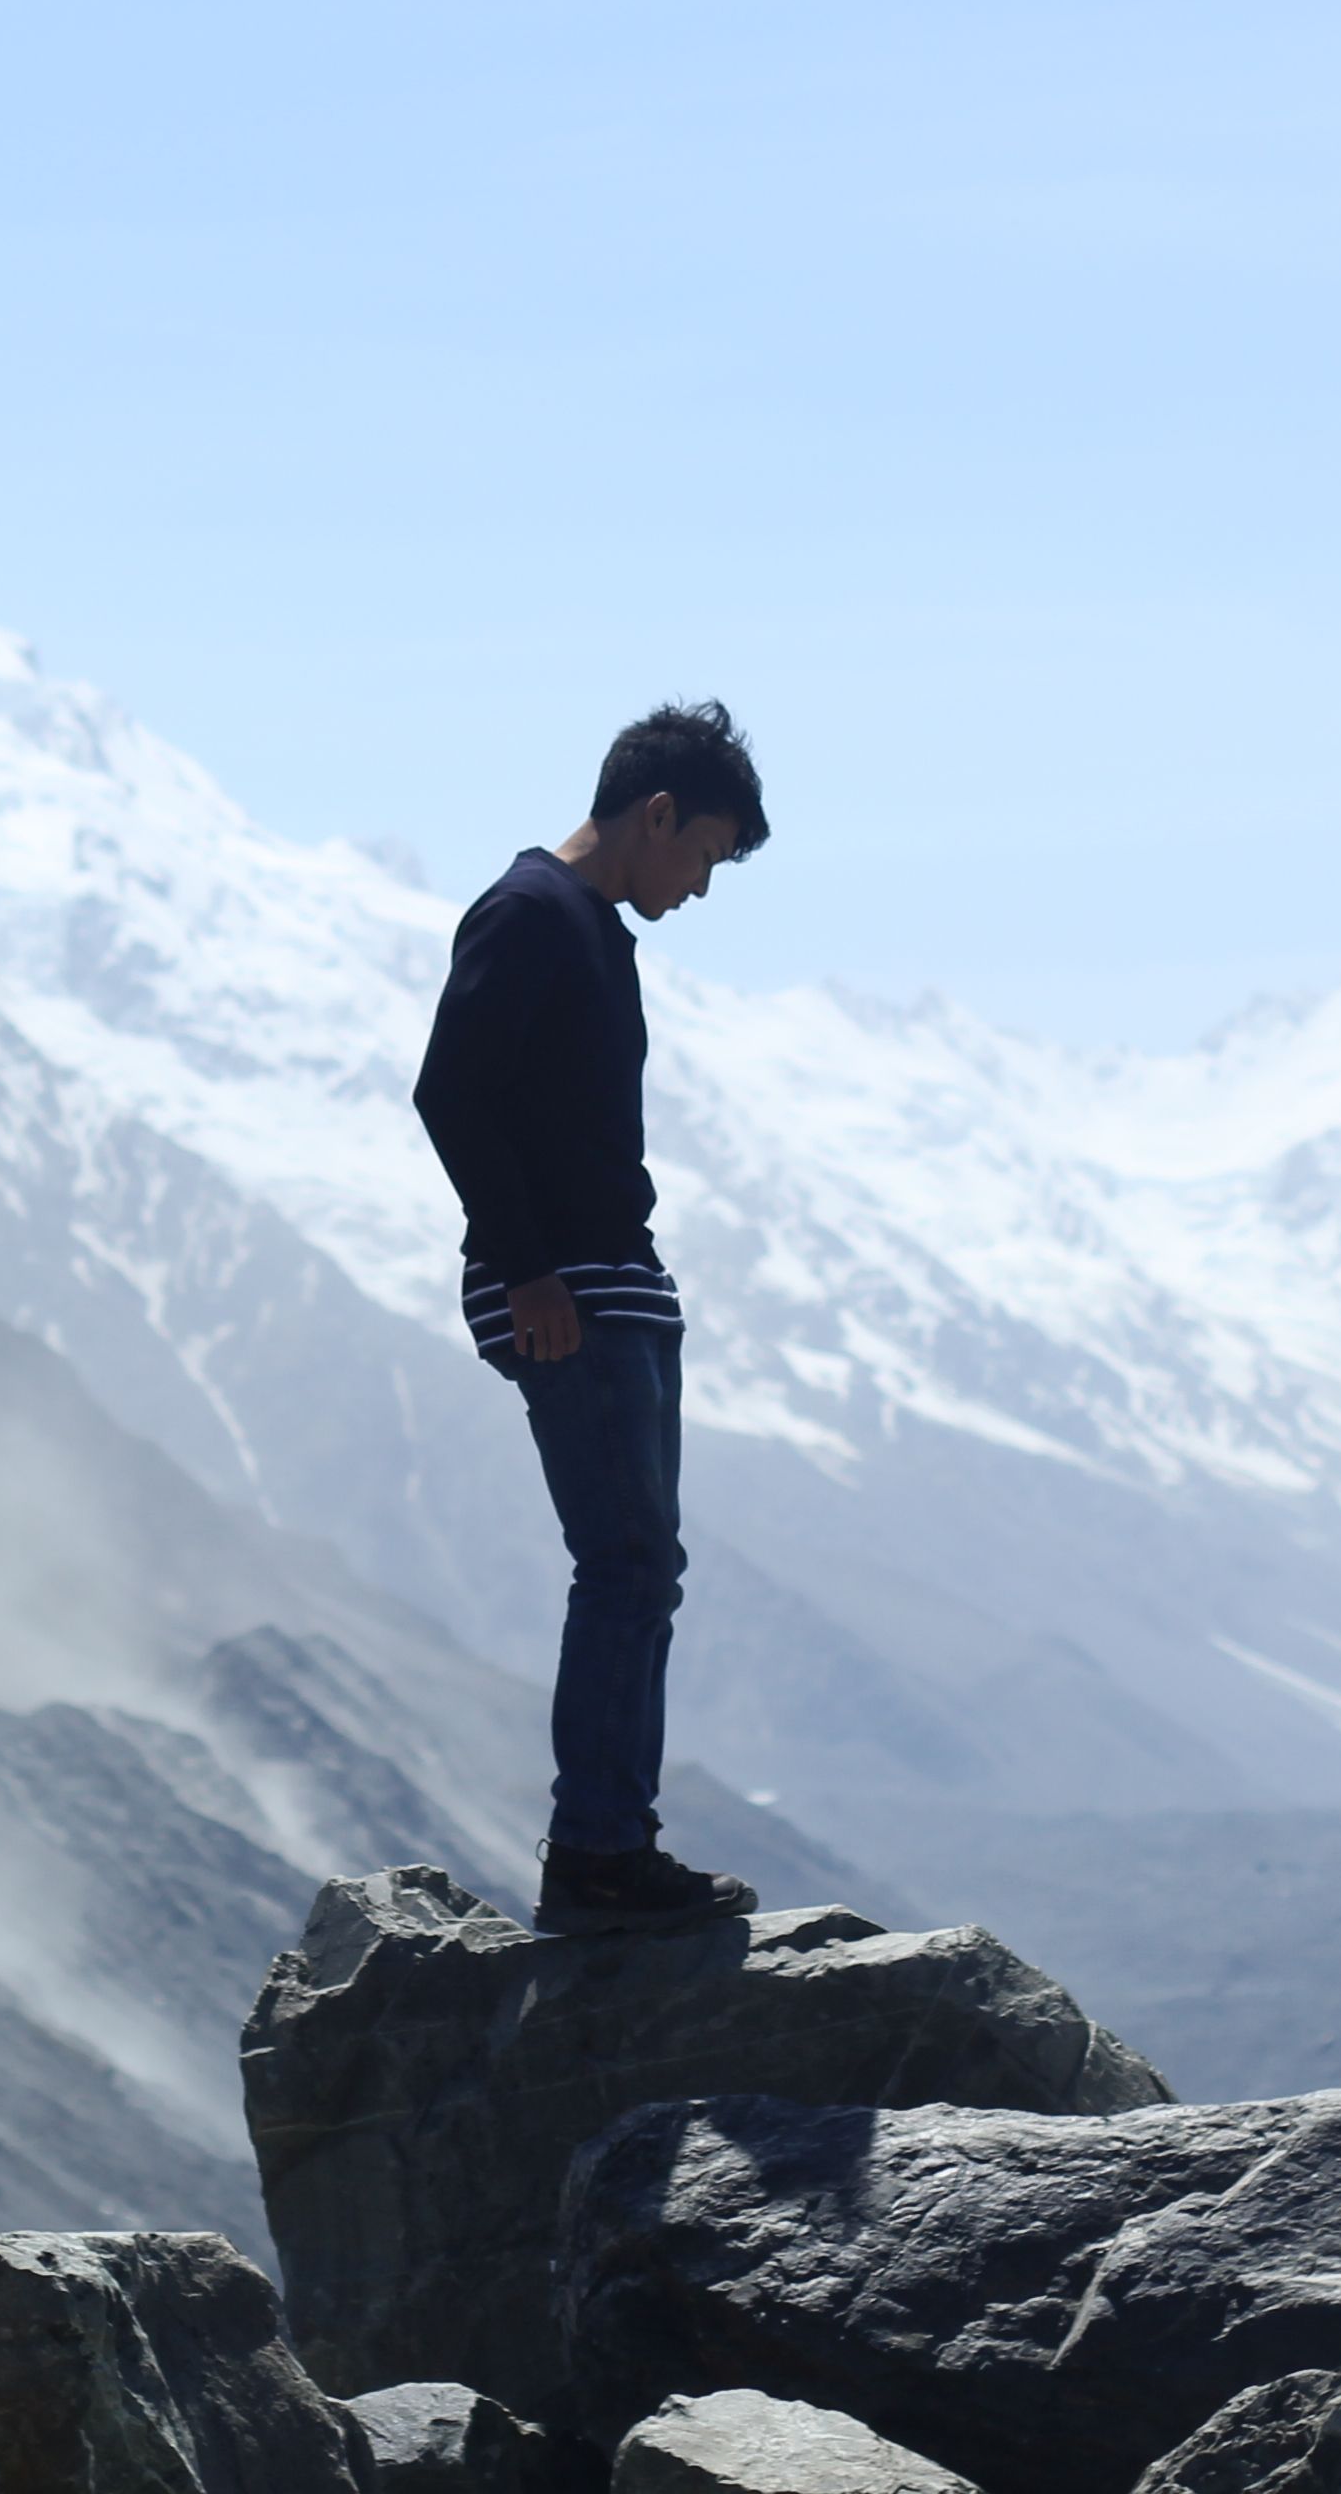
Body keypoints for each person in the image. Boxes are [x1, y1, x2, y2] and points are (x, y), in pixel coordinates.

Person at [411, 699, 773, 1934]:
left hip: (606, 1281)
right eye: (707, 855)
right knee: (625, 1567)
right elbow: (451, 1090)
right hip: (568, 1290)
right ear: (657, 815)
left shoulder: (586, 931)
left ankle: (611, 1843)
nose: (703, 887)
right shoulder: (532, 915)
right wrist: (525, 1271)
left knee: (638, 1569)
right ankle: (601, 1855)